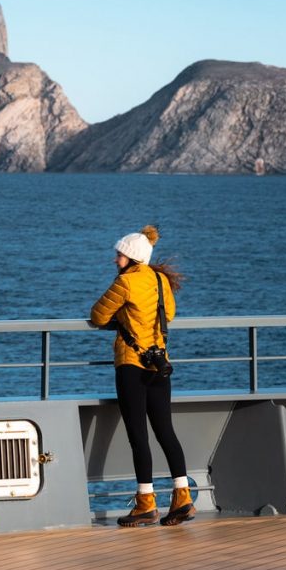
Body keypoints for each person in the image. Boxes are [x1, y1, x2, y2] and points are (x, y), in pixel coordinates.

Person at [90, 225, 195, 527]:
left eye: (118, 255)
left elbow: (98, 315)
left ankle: (145, 503)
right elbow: (169, 315)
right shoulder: (161, 281)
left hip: (131, 365)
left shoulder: (125, 283)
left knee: (139, 436)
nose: (115, 260)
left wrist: (122, 316)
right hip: (159, 364)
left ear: (131, 257)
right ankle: (182, 497)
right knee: (166, 432)